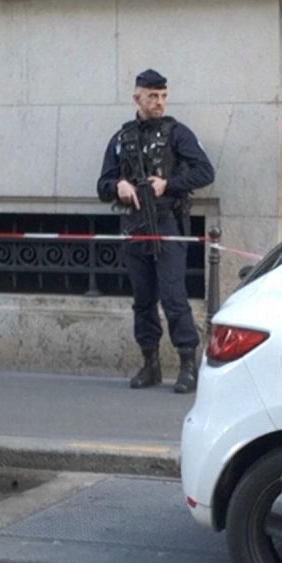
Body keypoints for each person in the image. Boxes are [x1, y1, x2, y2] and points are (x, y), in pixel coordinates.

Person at [96, 69, 215, 393]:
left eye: (163, 96)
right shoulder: (122, 138)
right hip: (134, 225)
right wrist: (118, 186)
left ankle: (188, 365)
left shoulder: (177, 133)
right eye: (152, 96)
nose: (159, 102)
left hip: (167, 223)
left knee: (173, 296)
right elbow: (102, 184)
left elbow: (205, 172)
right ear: (137, 98)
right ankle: (150, 364)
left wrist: (168, 184)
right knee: (143, 299)